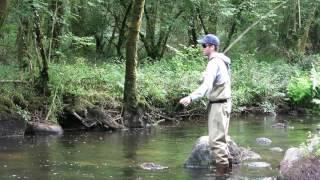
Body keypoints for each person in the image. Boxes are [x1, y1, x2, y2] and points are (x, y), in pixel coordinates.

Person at [179, 34, 232, 175]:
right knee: (223, 140)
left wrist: (190, 97)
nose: (202, 48)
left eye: (204, 45)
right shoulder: (222, 61)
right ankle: (229, 174)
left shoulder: (214, 63)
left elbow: (207, 87)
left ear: (212, 47)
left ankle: (222, 176)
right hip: (225, 104)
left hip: (218, 106)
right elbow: (216, 81)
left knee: (216, 143)